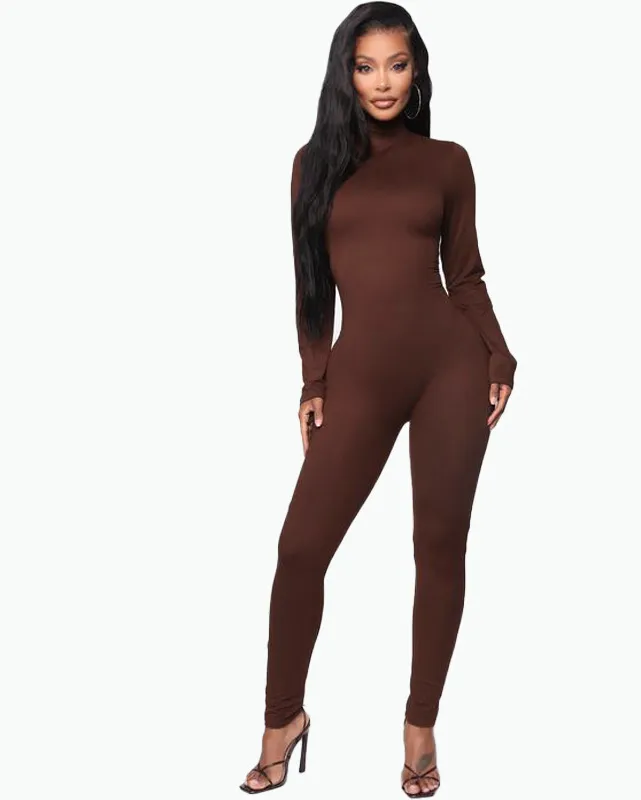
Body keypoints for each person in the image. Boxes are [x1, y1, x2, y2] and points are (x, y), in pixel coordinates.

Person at [240, 3, 518, 796]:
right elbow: (311, 286)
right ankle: (282, 719)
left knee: (439, 544)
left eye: (398, 65)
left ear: (417, 70)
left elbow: (465, 276)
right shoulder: (313, 165)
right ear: (346, 75)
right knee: (301, 548)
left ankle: (420, 726)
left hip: (451, 369)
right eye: (367, 67)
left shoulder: (448, 162)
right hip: (360, 374)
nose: (384, 82)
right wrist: (314, 380)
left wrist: (498, 352)